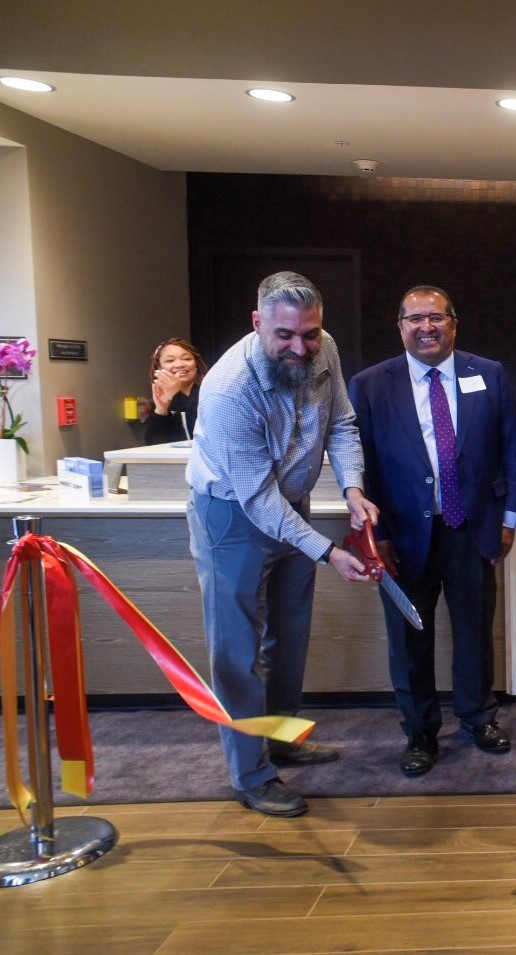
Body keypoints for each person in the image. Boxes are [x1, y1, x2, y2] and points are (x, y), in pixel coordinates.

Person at [187, 270, 379, 817]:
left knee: (289, 636)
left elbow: (342, 423)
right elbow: (257, 499)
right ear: (257, 324)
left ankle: (280, 738)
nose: (301, 347)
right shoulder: (227, 389)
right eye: (286, 336)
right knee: (237, 652)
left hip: (294, 505)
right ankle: (251, 775)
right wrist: (327, 550)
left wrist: (352, 489)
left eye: (310, 334)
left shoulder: (325, 350)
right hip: (232, 515)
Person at [349, 285, 516, 777]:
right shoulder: (369, 384)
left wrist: (508, 519)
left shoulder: (488, 374)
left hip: (472, 529)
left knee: (474, 631)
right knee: (408, 639)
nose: (426, 327)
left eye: (436, 317)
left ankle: (477, 718)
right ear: (400, 325)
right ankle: (420, 733)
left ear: (454, 322)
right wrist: (374, 535)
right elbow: (360, 463)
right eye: (414, 319)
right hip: (401, 535)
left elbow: (512, 448)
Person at [146, 337, 207, 444]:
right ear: (159, 368)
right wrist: (161, 410)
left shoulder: (207, 395)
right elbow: (153, 446)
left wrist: (176, 394)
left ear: (195, 365)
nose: (179, 365)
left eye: (187, 359)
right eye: (170, 360)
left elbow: (195, 437)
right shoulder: (161, 400)